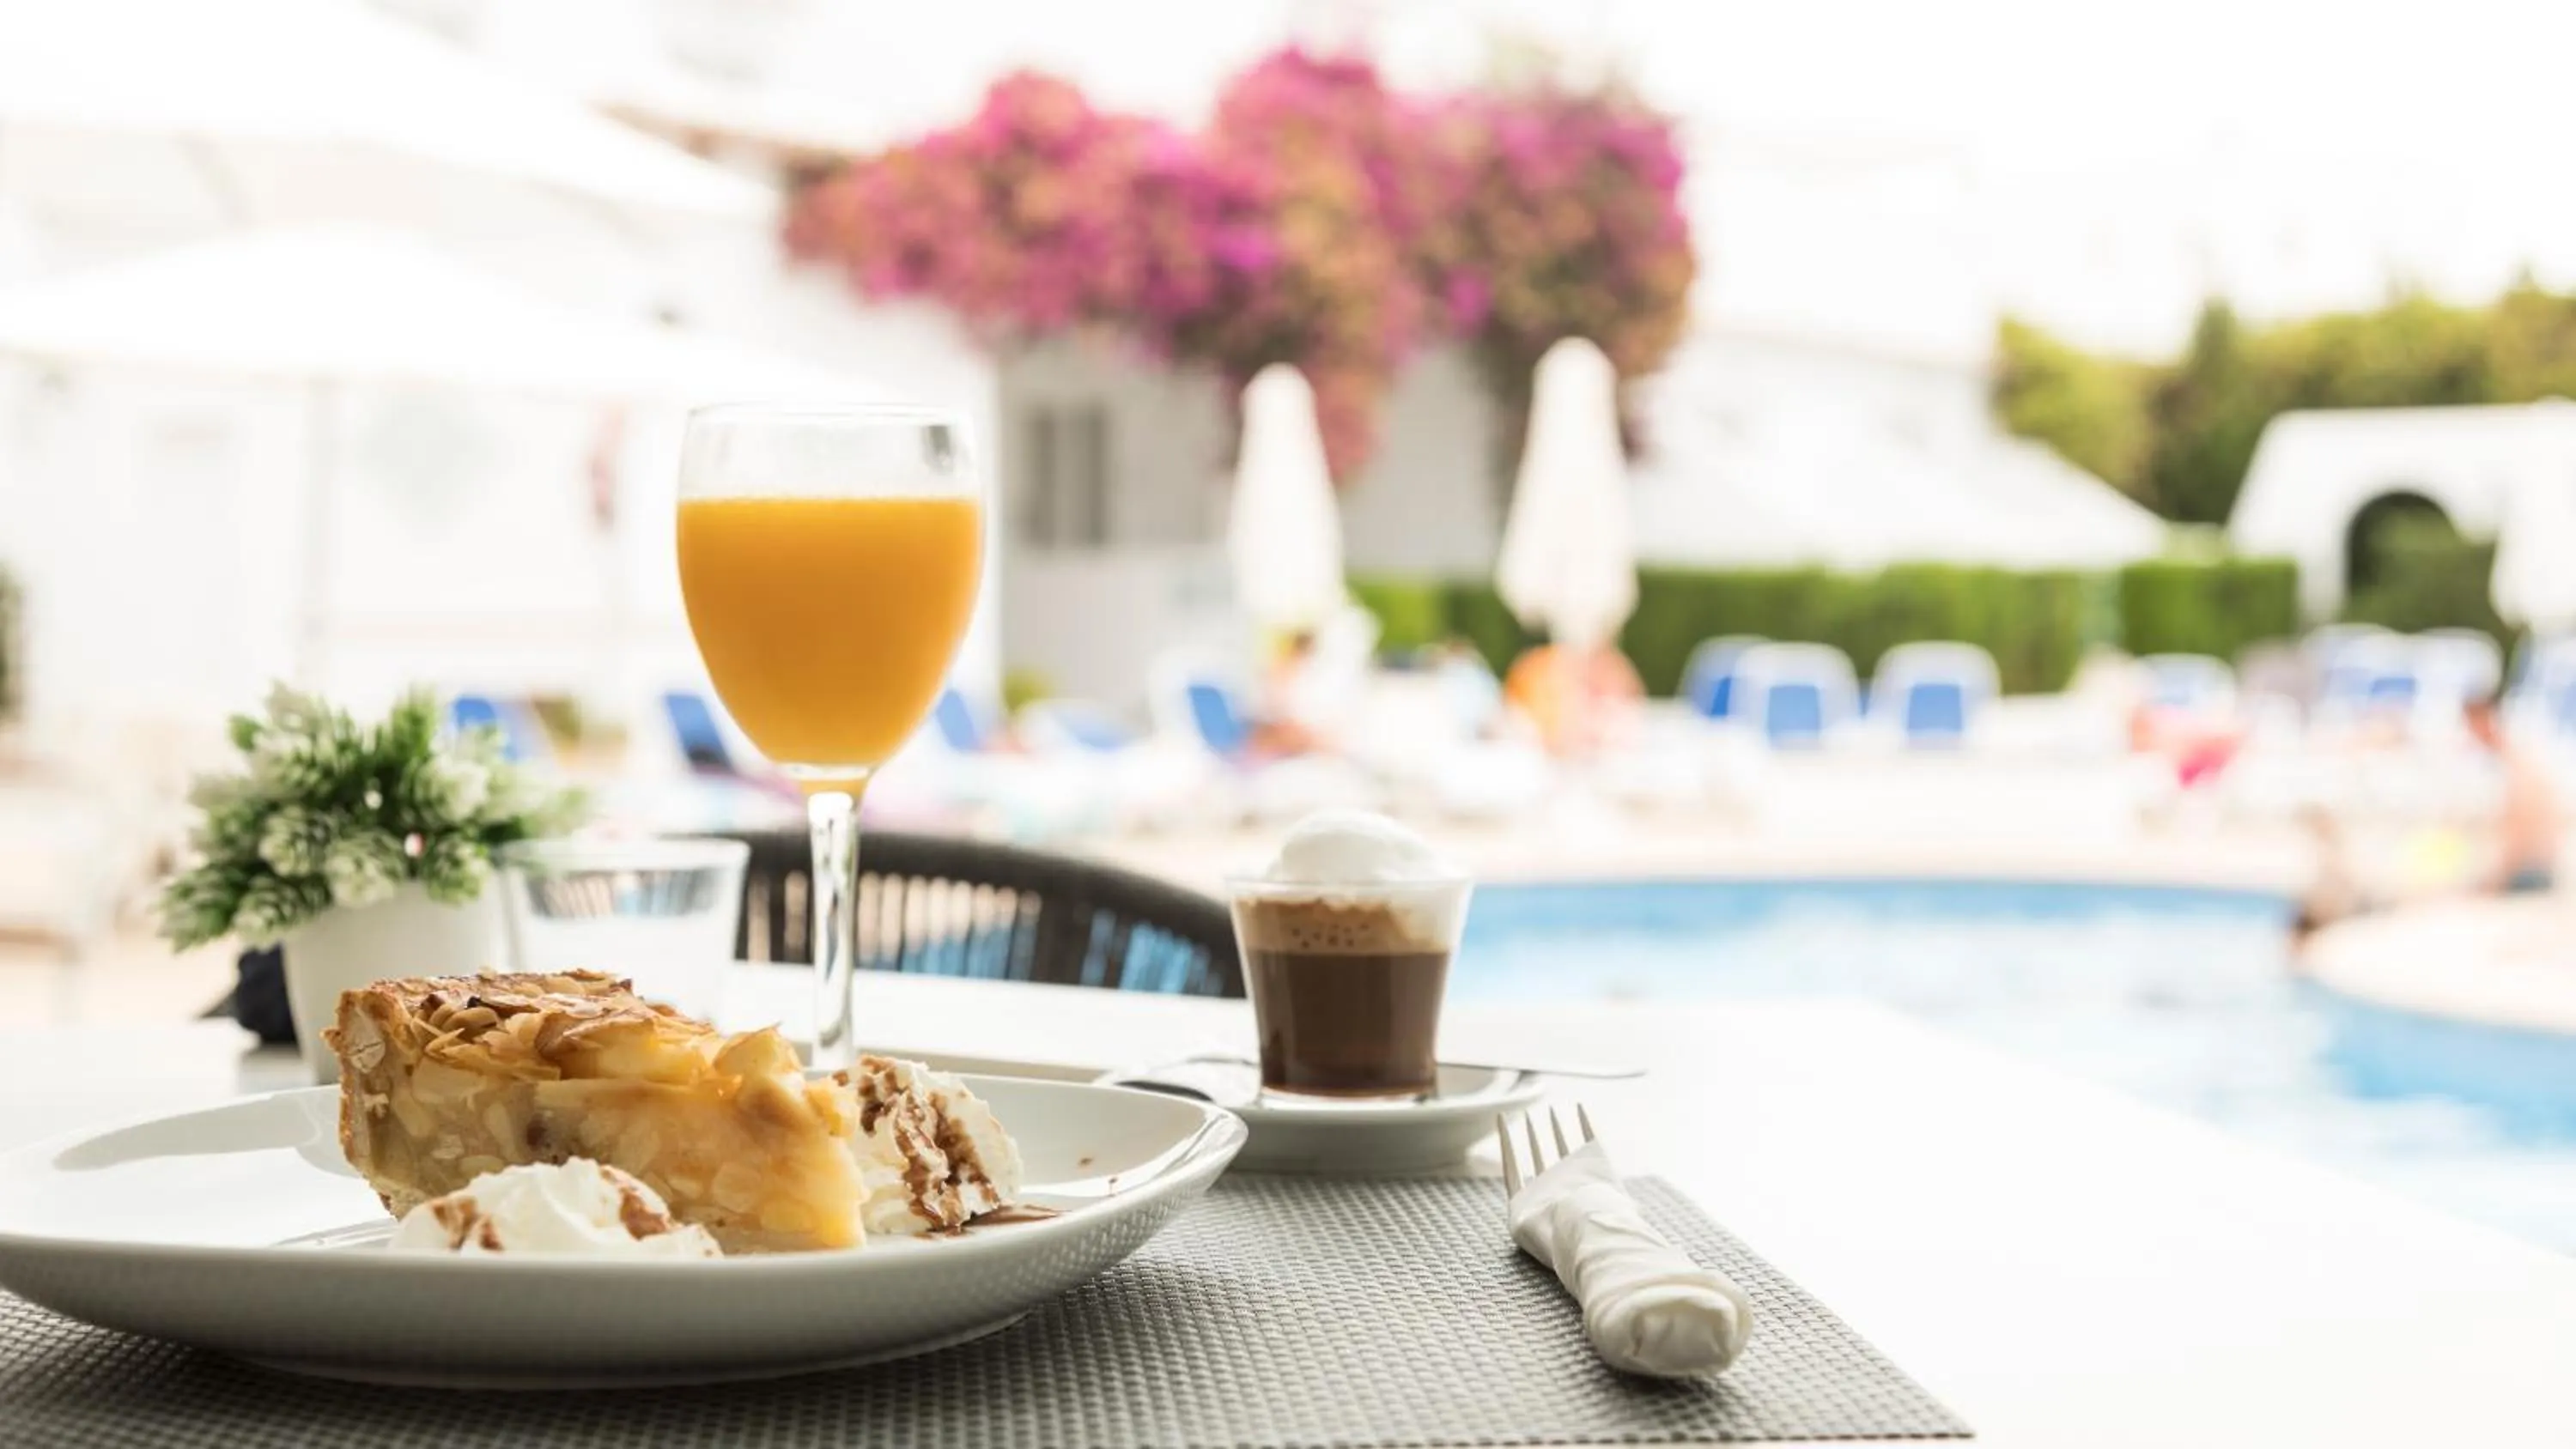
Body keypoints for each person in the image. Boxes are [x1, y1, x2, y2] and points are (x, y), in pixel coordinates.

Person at [2464, 692, 2559, 894]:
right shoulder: (2523, 757)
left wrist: (2494, 881)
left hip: (2532, 873)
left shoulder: (2518, 767)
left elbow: (2520, 836)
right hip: (2539, 868)